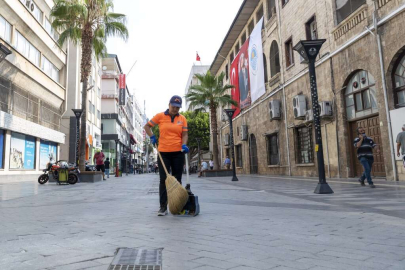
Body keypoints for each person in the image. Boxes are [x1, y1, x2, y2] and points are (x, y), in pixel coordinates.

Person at [144, 95, 189, 216]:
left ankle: (176, 206)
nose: (175, 109)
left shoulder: (183, 119)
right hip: (163, 152)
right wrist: (152, 136)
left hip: (178, 153)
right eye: (174, 106)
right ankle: (163, 207)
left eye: (178, 107)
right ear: (169, 104)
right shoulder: (160, 116)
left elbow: (184, 134)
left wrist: (184, 145)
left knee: (177, 179)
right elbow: (147, 126)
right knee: (163, 179)